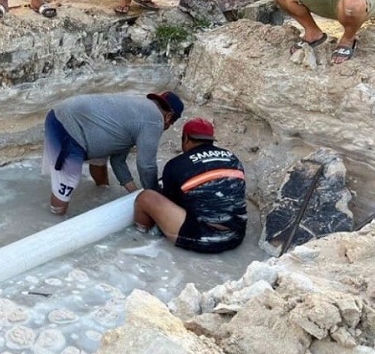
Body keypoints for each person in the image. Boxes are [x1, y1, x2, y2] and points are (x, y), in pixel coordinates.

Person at [42, 91, 184, 215]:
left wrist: (135, 193)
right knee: (67, 182)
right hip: (67, 126)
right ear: (168, 117)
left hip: (72, 118)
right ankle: (54, 220)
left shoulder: (139, 111)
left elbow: (118, 160)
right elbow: (146, 165)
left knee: (92, 165)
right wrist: (154, 196)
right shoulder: (155, 120)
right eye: (169, 125)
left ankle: (100, 191)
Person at [133, 117, 247, 253]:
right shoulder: (232, 158)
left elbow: (171, 202)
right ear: (211, 140)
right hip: (237, 236)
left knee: (146, 198)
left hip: (203, 239)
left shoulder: (177, 164)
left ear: (186, 139)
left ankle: (139, 238)